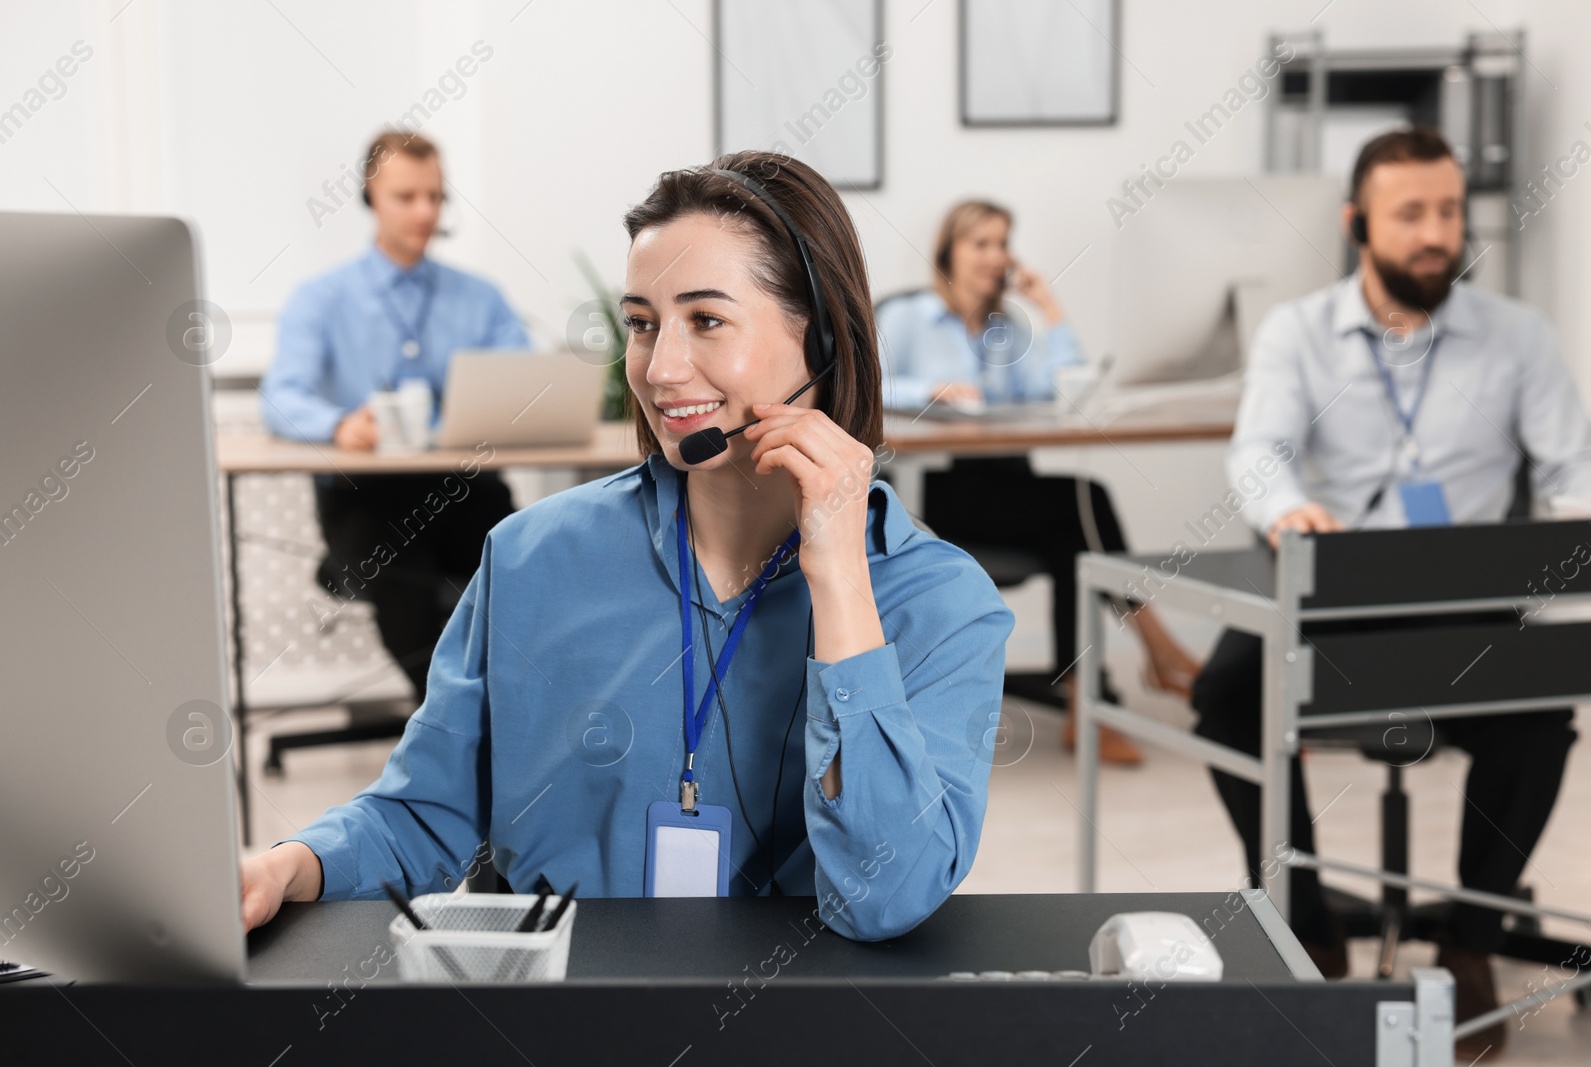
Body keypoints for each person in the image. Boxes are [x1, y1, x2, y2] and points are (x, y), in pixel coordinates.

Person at [239, 151, 1014, 943]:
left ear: (820, 340)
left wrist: (842, 579)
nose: (662, 369)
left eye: (707, 320)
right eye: (642, 324)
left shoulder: (941, 603)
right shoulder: (531, 557)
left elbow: (887, 897)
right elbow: (423, 814)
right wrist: (287, 866)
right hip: (566, 1020)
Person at [1192, 127, 1591, 1060]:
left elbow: (1576, 462)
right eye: (1410, 213)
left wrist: (1575, 521)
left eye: (1449, 211)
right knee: (1225, 693)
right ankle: (1308, 925)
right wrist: (1289, 509)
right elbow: (1260, 453)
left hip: (1468, 598)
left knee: (1541, 709)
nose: (1434, 233)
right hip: (1338, 590)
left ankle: (1471, 939)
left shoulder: (1517, 336)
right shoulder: (1298, 330)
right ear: (1357, 225)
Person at [876, 199, 1198, 764]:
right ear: (948, 251)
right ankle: (1155, 653)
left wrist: (1048, 306)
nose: (995, 256)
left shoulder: (1009, 328)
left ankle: (1084, 703)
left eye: (1003, 243)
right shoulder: (909, 319)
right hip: (939, 493)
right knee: (1083, 504)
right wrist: (928, 390)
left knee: (1072, 533)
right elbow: (864, 387)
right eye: (981, 243)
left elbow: (1068, 393)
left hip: (1011, 487)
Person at [260, 130, 529, 703]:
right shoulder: (322, 298)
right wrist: (336, 426)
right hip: (365, 495)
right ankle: (454, 734)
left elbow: (527, 382)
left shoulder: (481, 299)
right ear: (369, 198)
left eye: (435, 196)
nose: (425, 211)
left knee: (526, 569)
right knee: (407, 588)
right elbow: (281, 395)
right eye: (406, 196)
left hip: (461, 487)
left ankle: (511, 721)